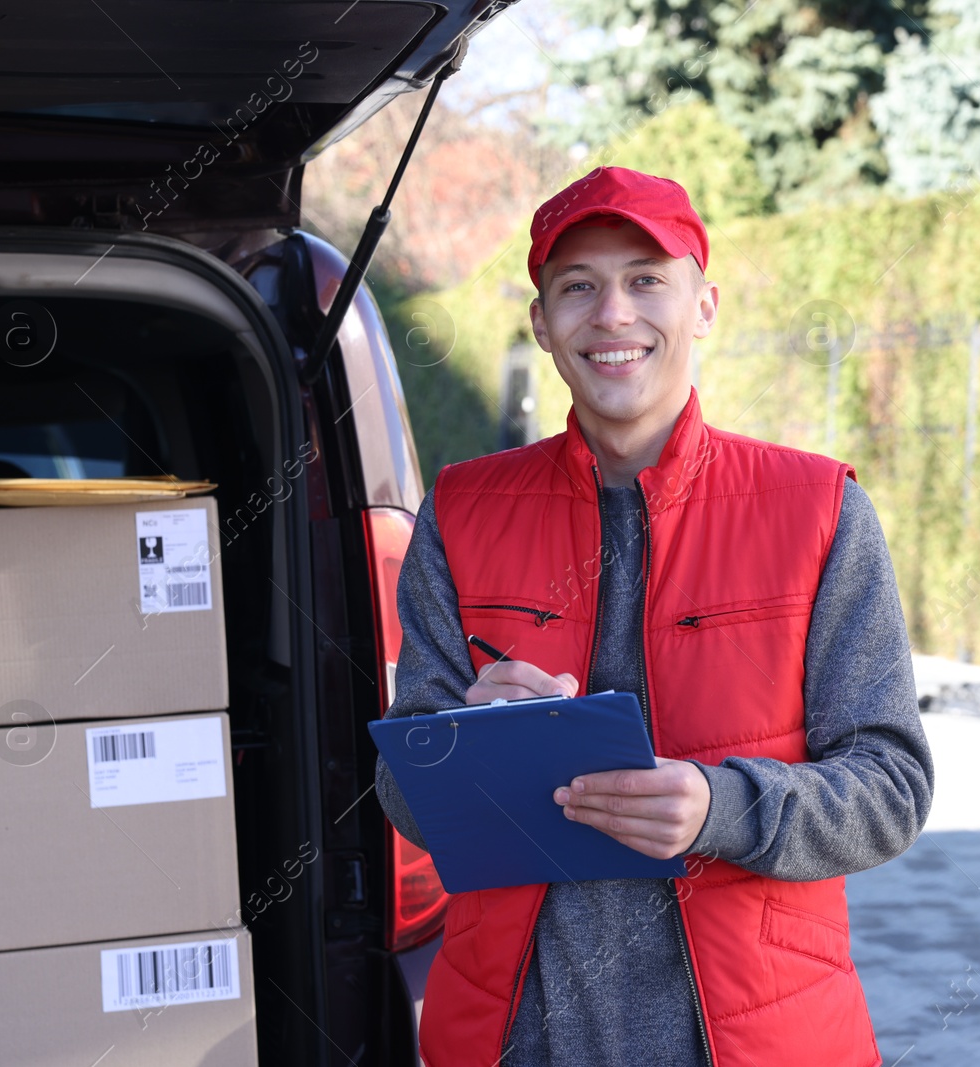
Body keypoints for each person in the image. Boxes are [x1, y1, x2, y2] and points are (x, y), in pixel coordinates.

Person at [375, 165, 934, 1067]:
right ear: (541, 324)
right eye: (578, 288)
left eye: (645, 280)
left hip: (757, 1040)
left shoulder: (817, 509)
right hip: (517, 1040)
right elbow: (403, 793)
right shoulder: (461, 512)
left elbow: (892, 787)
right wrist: (463, 740)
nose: (613, 315)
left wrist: (721, 806)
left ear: (704, 305)